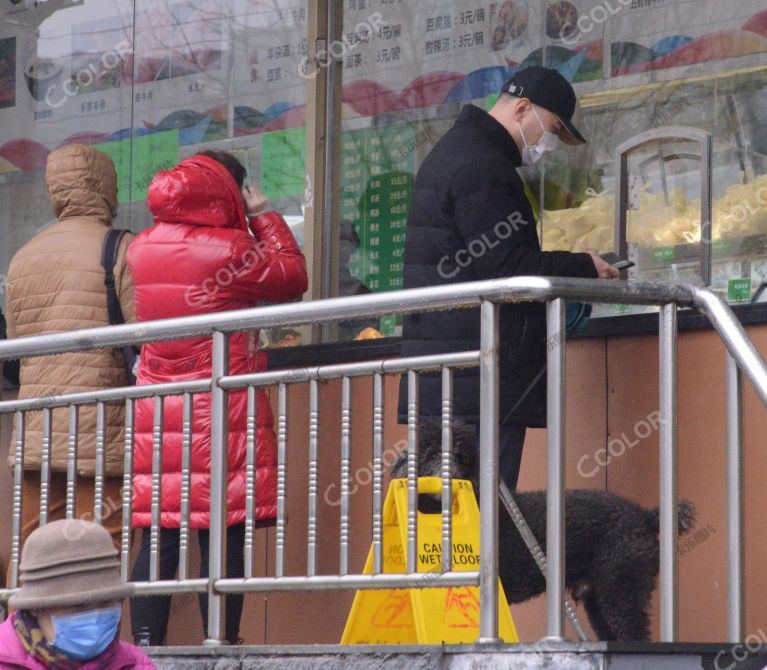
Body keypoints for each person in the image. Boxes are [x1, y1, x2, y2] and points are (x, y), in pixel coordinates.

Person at [398, 66, 619, 491]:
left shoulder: (455, 153)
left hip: (449, 377)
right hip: (477, 381)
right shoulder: (484, 166)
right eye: (552, 129)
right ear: (522, 109)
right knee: (483, 526)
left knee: (444, 524)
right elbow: (509, 267)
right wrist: (583, 267)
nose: (548, 145)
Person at [127, 150, 308, 645]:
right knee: (223, 528)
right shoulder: (231, 249)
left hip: (158, 406)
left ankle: (147, 644)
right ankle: (221, 642)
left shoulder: (140, 247)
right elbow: (292, 277)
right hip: (219, 407)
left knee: (159, 529)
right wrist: (264, 215)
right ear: (230, 191)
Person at [4, 144, 135, 550]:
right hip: (100, 427)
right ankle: (93, 617)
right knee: (99, 544)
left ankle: (26, 617)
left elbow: (17, 345)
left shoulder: (23, 257)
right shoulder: (121, 247)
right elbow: (145, 334)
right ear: (106, 187)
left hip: (36, 429)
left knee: (35, 546)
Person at [0, 519, 155, 668]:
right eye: (78, 605)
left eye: (105, 602)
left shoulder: (136, 664)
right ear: (36, 608)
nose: (94, 617)